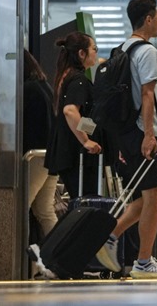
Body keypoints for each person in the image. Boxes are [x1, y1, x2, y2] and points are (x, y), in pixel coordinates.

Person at [94, 0, 157, 278]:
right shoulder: (148, 51)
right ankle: (143, 261)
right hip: (142, 131)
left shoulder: (120, 50)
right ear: (149, 18)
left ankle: (111, 235)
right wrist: (150, 135)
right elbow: (147, 94)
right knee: (153, 195)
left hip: (124, 132)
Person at [45, 32, 102, 201]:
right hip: (76, 155)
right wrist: (86, 140)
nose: (96, 53)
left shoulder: (66, 76)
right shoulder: (78, 80)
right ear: (81, 53)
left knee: (79, 203)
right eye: (94, 49)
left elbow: (75, 116)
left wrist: (94, 130)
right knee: (85, 204)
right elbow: (70, 111)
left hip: (67, 151)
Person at [22, 48, 58, 240]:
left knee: (20, 207)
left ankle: (24, 261)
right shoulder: (43, 86)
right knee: (45, 210)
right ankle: (59, 260)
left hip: (35, 156)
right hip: (50, 155)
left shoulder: (27, 89)